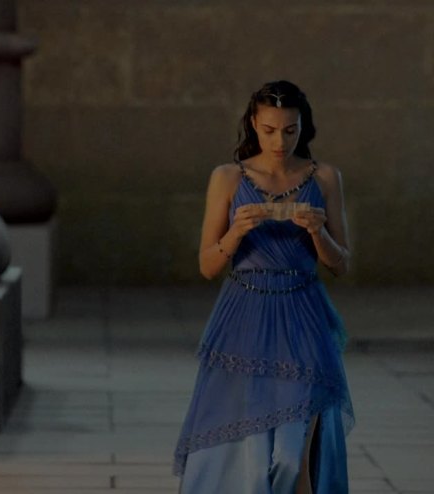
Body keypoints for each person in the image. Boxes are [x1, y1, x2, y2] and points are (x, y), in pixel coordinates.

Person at [173, 80, 354, 493]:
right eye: (270, 130)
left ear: (302, 126)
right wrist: (236, 232)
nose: (280, 141)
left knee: (292, 456)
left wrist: (318, 233)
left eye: (290, 130)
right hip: (244, 315)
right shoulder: (227, 177)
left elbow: (341, 264)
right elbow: (207, 266)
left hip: (304, 315)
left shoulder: (325, 177)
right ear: (254, 123)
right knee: (250, 457)